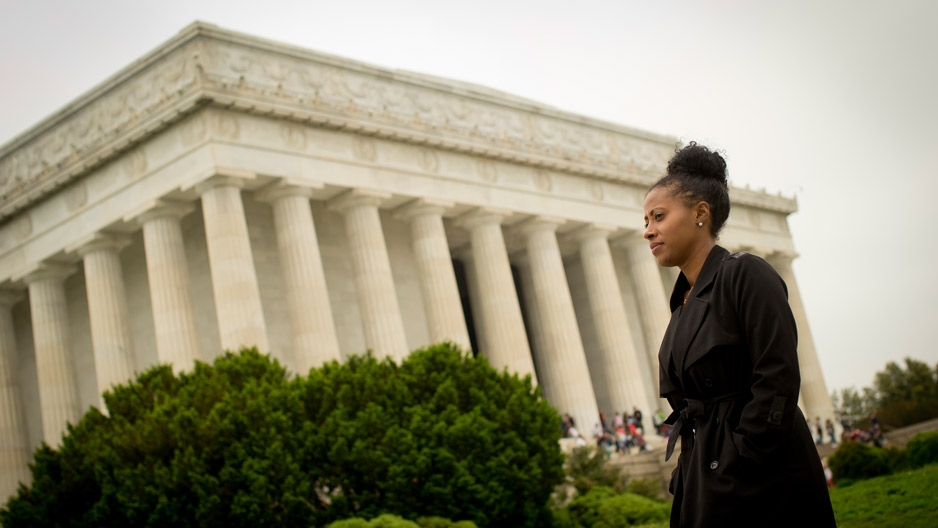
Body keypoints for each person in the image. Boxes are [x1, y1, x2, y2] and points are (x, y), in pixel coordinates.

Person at [644, 142, 835, 527]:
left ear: (701, 213)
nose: (649, 231)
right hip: (705, 477)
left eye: (659, 217)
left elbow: (778, 375)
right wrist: (688, 474)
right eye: (646, 221)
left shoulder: (745, 274)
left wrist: (744, 454)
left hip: (761, 476)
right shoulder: (681, 304)